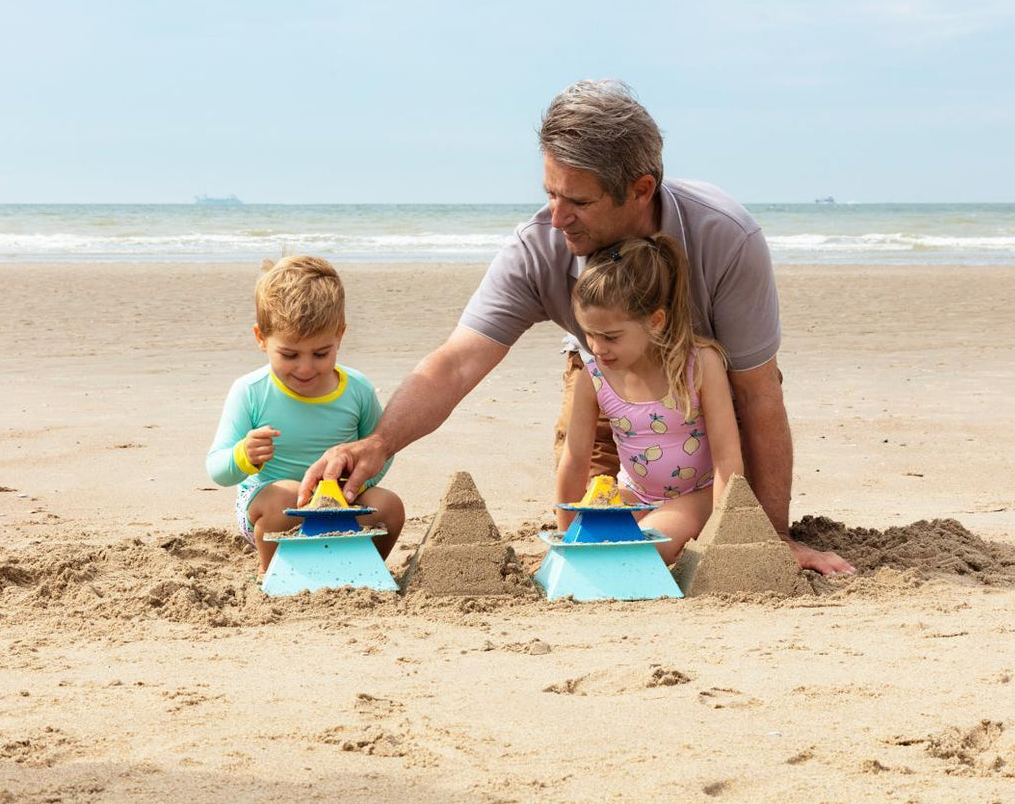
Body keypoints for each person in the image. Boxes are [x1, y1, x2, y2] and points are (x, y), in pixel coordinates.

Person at [304, 80, 854, 575]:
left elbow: (758, 393)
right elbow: (457, 362)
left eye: (579, 201)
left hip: (704, 381)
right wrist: (377, 442)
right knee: (601, 524)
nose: (557, 216)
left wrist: (770, 534)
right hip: (608, 378)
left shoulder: (726, 237)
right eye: (550, 193)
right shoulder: (539, 246)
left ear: (641, 189)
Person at [206, 256, 405, 578]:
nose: (306, 368)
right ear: (261, 338)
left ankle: (362, 572)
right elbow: (217, 469)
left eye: (321, 353)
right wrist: (244, 455)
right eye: (289, 354)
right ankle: (273, 576)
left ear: (340, 335)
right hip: (269, 508)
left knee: (390, 506)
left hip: (340, 504)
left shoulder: (356, 389)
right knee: (285, 493)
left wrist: (353, 485)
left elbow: (382, 451)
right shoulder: (251, 391)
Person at [556, 234, 742, 563]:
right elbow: (573, 462)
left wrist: (722, 532)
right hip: (634, 494)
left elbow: (727, 457)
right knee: (596, 548)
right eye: (588, 334)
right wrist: (566, 541)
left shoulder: (699, 365)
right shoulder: (594, 378)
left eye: (610, 337)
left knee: (645, 550)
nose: (597, 348)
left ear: (655, 321)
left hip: (697, 495)